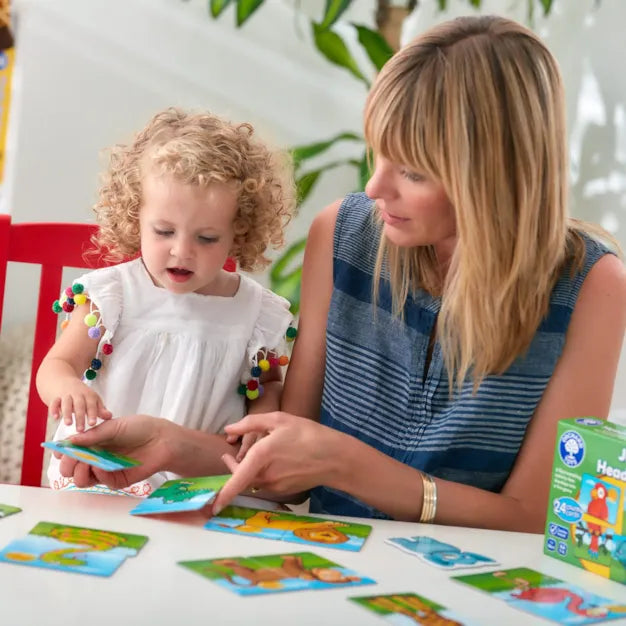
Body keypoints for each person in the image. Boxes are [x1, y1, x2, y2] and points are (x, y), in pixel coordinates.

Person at [57, 16, 626, 531]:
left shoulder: (593, 287)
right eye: (377, 154)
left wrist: (351, 466)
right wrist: (170, 443)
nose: (375, 188)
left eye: (412, 170)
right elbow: (288, 465)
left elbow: (537, 520)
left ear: (494, 174)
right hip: (329, 565)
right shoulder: (345, 234)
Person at [37, 107, 296, 496]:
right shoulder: (113, 296)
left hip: (202, 488)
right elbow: (57, 364)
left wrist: (261, 421)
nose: (181, 251)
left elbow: (268, 386)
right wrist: (67, 389)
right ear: (134, 217)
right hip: (101, 480)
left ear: (238, 231)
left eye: (206, 238)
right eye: (163, 231)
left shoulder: (255, 313)